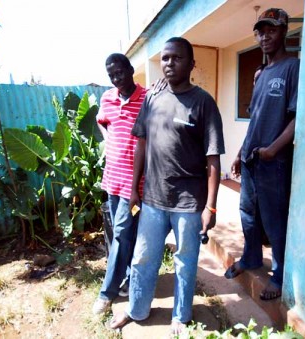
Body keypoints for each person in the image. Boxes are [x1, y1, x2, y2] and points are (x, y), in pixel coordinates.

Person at [110, 37, 225, 335]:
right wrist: (135, 187)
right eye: (165, 58)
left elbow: (213, 160)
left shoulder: (203, 102)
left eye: (176, 58)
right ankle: (137, 309)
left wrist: (211, 206)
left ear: (191, 64)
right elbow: (141, 144)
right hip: (153, 199)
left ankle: (180, 317)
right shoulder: (152, 98)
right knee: (143, 256)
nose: (169, 63)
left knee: (185, 261)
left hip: (189, 202)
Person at [225, 8, 300, 301]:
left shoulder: (293, 68)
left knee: (274, 219)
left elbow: (298, 118)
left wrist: (273, 149)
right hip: (252, 159)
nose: (264, 36)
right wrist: (239, 152)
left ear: (283, 31)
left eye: (271, 30)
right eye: (260, 31)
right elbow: (255, 119)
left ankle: (279, 276)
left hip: (274, 161)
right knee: (248, 214)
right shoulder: (260, 74)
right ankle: (251, 258)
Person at [92, 53, 147, 315]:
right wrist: (110, 139)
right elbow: (100, 121)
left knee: (123, 233)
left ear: (131, 69)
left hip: (135, 185)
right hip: (112, 179)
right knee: (121, 234)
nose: (116, 79)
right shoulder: (107, 98)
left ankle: (107, 293)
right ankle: (126, 279)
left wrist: (137, 187)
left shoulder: (147, 98)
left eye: (120, 72)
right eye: (111, 75)